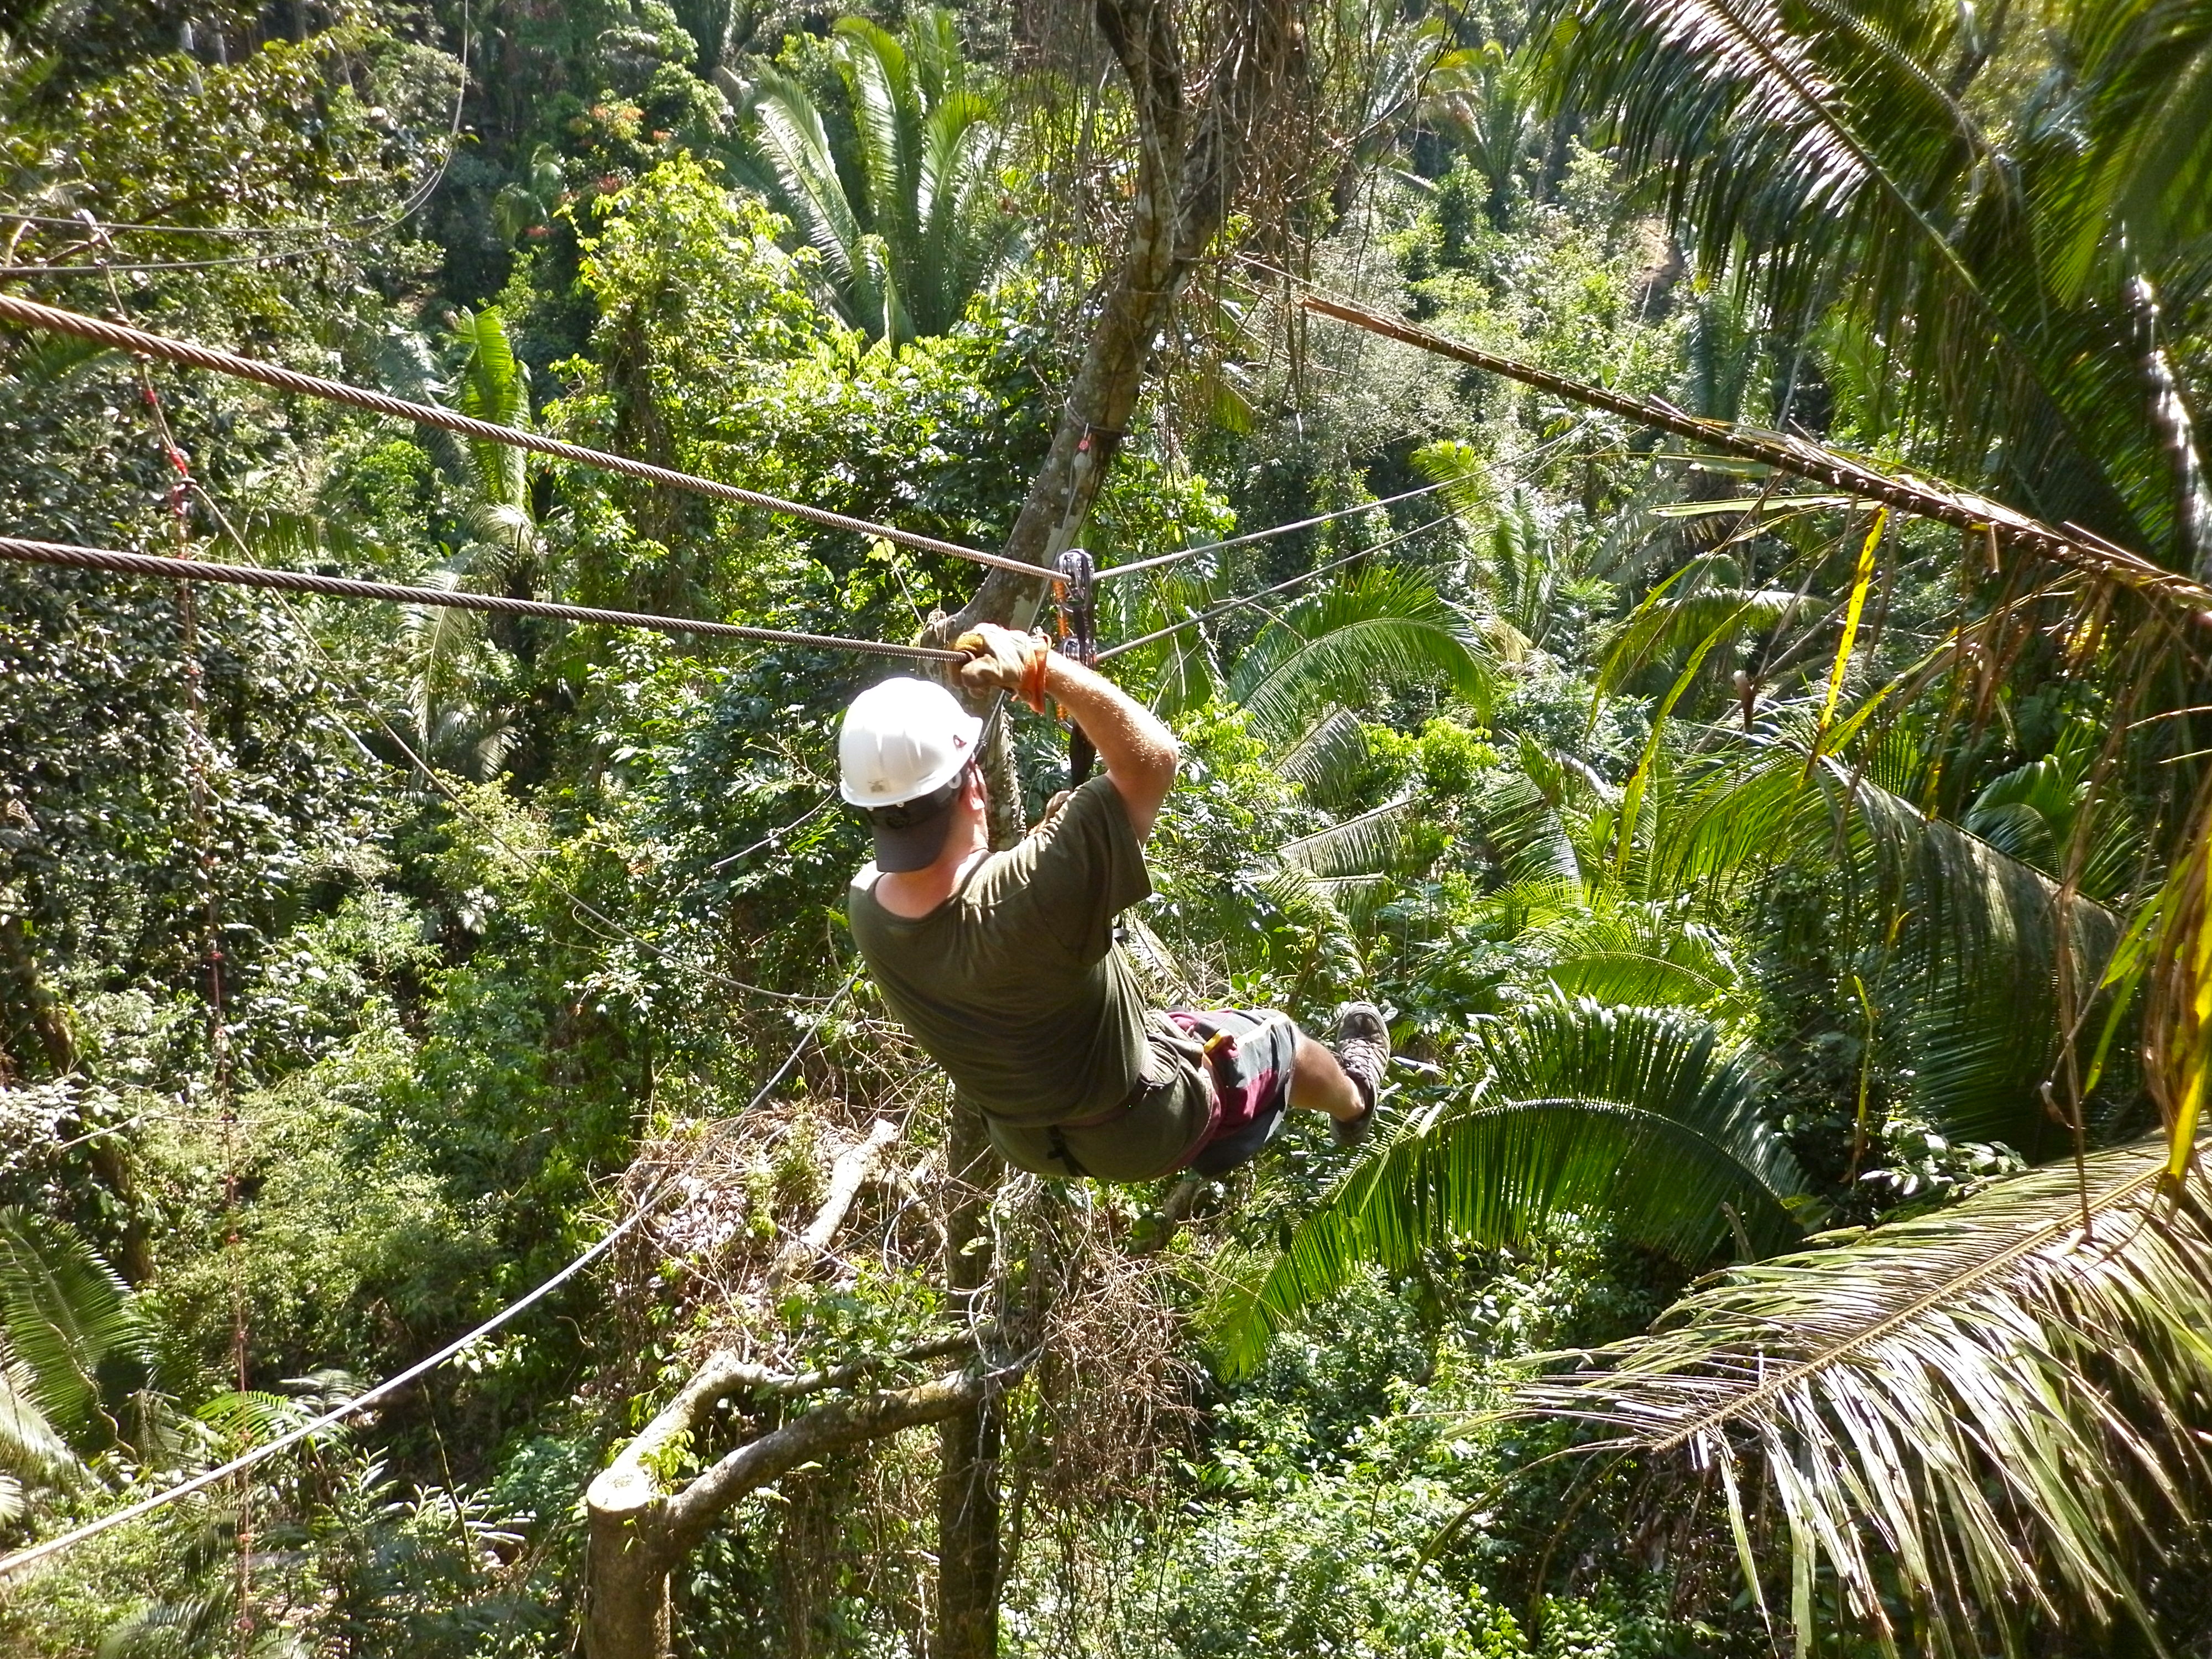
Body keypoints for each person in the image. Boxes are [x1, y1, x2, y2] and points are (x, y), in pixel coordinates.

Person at [841, 621, 1390, 1183]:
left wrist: (1045, 846)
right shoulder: (1035, 887)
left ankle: (1214, 1108)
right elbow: (1153, 758)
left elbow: (979, 903)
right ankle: (1355, 1099)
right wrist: (1040, 668)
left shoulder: (867, 906)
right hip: (1146, 1124)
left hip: (1028, 1143)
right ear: (975, 784)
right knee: (1278, 1036)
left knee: (1172, 1027)